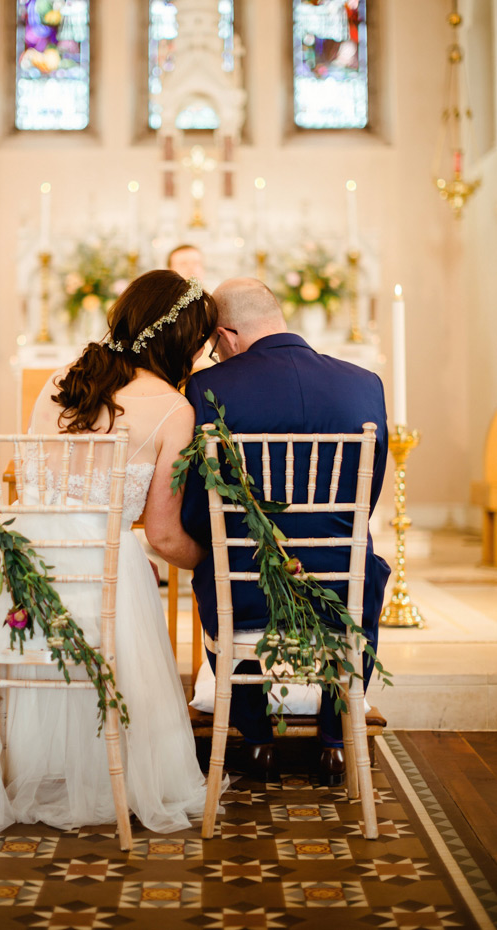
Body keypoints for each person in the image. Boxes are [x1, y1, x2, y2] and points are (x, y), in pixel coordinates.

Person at [0, 270, 222, 848]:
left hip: (19, 575)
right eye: (199, 341)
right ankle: (109, 778)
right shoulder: (171, 409)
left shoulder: (62, 381)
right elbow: (163, 537)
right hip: (101, 578)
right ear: (177, 337)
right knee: (129, 577)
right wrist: (216, 562)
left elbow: (26, 485)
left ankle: (5, 775)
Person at [179, 277, 390, 784]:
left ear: (227, 334)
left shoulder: (208, 389)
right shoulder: (365, 384)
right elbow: (368, 499)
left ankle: (256, 741)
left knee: (214, 569)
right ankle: (336, 741)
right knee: (370, 566)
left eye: (213, 346)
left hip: (247, 591)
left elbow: (196, 511)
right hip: (343, 590)